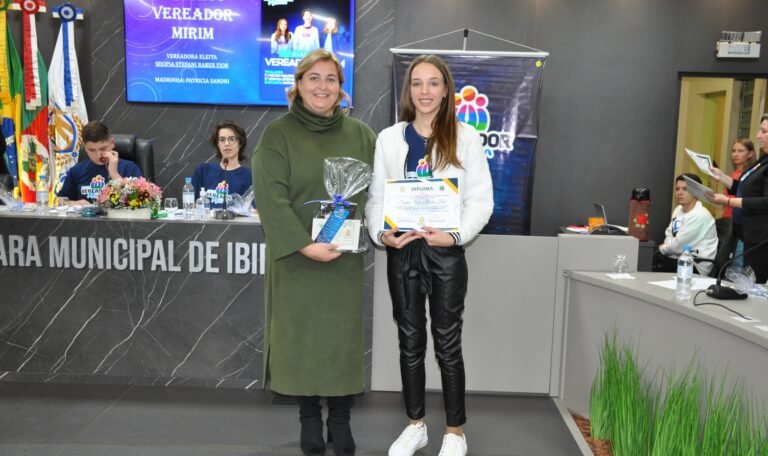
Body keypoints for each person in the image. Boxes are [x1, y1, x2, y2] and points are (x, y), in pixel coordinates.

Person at [365, 55, 493, 456]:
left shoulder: (466, 138)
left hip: (445, 253)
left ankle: (455, 432)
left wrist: (454, 236)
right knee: (409, 341)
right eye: (417, 83)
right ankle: (415, 426)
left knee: (447, 343)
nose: (425, 91)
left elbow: (481, 201)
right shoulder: (389, 139)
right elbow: (376, 198)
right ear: (409, 90)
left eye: (433, 83)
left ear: (445, 89)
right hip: (403, 252)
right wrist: (382, 233)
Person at [252, 49, 375, 456]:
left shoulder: (362, 135)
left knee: (340, 340)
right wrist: (305, 245)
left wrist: (390, 226)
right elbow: (271, 199)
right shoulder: (277, 134)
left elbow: (379, 194)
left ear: (342, 87)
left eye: (331, 79)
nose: (323, 86)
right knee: (300, 338)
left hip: (343, 258)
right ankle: (308, 418)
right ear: (299, 85)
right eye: (314, 78)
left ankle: (340, 419)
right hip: (297, 259)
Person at [708, 114, 768, 283]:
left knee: (755, 283)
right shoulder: (763, 160)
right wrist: (721, 177)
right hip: (744, 231)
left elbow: (765, 202)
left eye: (764, 131)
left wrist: (728, 201)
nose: (758, 135)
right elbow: (743, 187)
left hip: (760, 237)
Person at [57, 120, 143, 204]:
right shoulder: (76, 171)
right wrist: (73, 203)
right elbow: (59, 201)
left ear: (112, 143)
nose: (98, 155)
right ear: (85, 148)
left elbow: (140, 199)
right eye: (92, 150)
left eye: (103, 149)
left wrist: (114, 173)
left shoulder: (129, 168)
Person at [653, 173, 717, 276]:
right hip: (675, 257)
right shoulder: (678, 209)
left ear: (696, 192)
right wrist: (667, 247)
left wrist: (663, 248)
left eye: (685, 189)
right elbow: (670, 234)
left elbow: (678, 245)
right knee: (649, 262)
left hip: (695, 265)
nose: (679, 193)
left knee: (652, 265)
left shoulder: (700, 215)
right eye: (677, 189)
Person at [709, 138, 757, 267]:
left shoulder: (750, 175)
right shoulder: (733, 174)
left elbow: (744, 198)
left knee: (736, 259)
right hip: (728, 218)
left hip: (740, 221)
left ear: (750, 153)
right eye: (734, 151)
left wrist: (726, 200)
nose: (736, 154)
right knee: (725, 257)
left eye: (740, 151)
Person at [191, 121, 251, 209]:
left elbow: (252, 210)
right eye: (222, 140)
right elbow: (191, 205)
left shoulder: (249, 176)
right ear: (217, 144)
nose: (226, 144)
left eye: (232, 139)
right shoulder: (203, 171)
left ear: (240, 143)